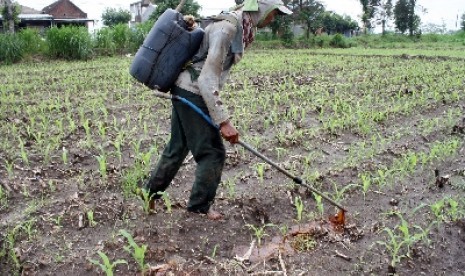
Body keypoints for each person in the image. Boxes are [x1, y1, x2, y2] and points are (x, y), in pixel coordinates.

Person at [142, 0, 292, 220]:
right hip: (193, 90)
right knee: (213, 153)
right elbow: (206, 79)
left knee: (178, 146)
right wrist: (223, 121)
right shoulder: (227, 28)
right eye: (274, 13)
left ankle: (150, 194)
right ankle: (199, 209)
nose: (273, 19)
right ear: (261, 9)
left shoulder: (239, 26)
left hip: (184, 87)